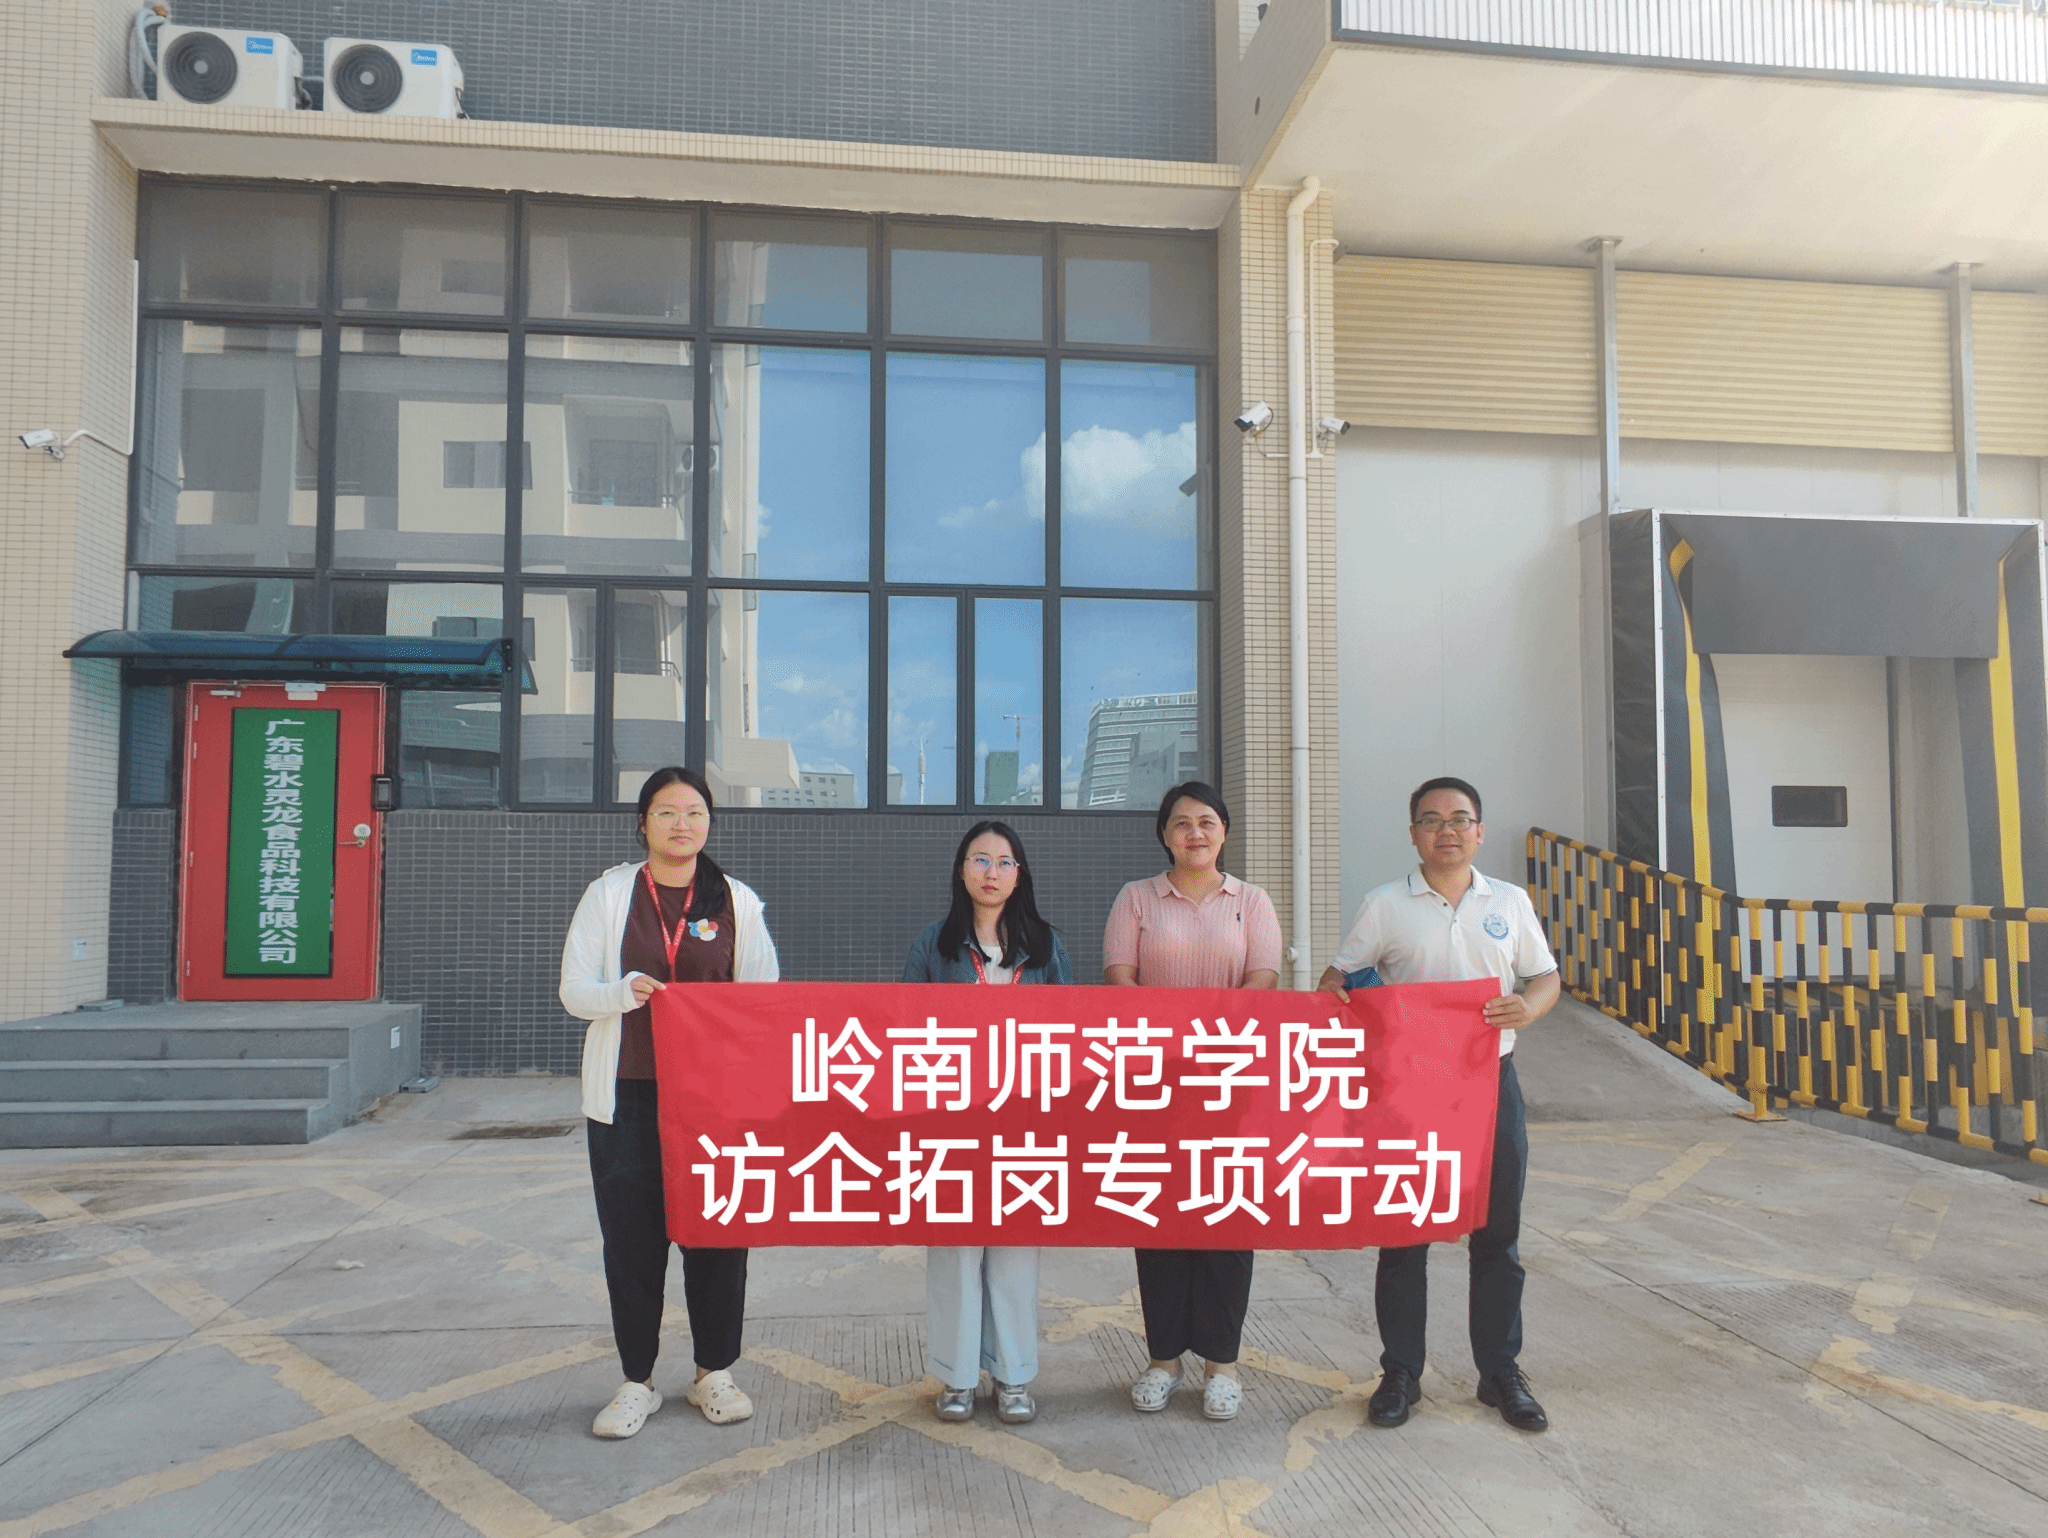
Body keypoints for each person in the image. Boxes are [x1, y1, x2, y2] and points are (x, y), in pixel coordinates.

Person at [1317, 775, 1560, 1434]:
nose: (1446, 830)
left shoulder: (1508, 901)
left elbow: (1545, 976)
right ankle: (1401, 1372)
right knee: (1405, 1232)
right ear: (1413, 834)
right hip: (1410, 1091)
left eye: (1459, 818)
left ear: (1479, 831)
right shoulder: (1384, 904)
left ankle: (1500, 1371)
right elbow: (1338, 977)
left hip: (1491, 1083)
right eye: (1431, 819)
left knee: (1498, 1234)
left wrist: (1528, 1008)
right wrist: (1339, 994)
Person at [560, 766, 781, 1439]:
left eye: (694, 812)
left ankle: (714, 1372)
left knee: (719, 1236)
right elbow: (574, 990)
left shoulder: (736, 901)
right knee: (632, 1240)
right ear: (643, 823)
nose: (681, 824)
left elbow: (764, 998)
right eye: (666, 812)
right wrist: (620, 992)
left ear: (710, 822)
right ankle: (637, 1382)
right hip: (626, 1095)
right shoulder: (610, 895)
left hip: (715, 1100)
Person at [1102, 781, 1282, 1422]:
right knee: (1159, 1219)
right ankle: (1163, 1360)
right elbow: (1119, 977)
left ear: (1224, 831)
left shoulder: (1251, 901)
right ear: (1164, 834)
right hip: (1154, 1083)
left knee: (1227, 1219)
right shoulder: (1136, 898)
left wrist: (1210, 1037)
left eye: (1207, 821)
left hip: (1230, 1082)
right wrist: (1172, 1038)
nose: (1195, 833)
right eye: (1181, 823)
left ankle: (1221, 1364)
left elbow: (1263, 977)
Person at [903, 820, 1072, 1425]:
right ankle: (956, 1377)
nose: (991, 872)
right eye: (980, 859)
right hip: (951, 1119)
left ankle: (1013, 1374)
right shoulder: (934, 944)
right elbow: (904, 1028)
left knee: (1015, 1248)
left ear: (1019, 875)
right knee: (954, 1250)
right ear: (961, 870)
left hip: (1025, 1119)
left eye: (1004, 862)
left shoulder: (1047, 945)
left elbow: (1072, 1032)